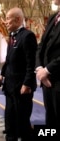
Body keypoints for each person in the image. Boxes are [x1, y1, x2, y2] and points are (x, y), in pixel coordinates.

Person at [0, 7, 37, 141]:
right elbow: (9, 59)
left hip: (22, 88)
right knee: (9, 117)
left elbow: (31, 63)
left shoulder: (27, 36)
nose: (5, 21)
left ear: (18, 19)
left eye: (8, 18)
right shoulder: (12, 36)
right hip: (10, 86)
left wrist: (27, 83)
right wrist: (2, 74)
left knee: (22, 121)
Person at [35, 0, 60, 138]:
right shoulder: (53, 17)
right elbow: (41, 45)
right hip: (47, 81)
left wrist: (48, 70)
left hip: (57, 78)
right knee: (50, 123)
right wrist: (39, 69)